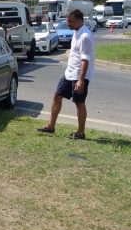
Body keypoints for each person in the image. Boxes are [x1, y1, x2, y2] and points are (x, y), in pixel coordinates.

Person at [37, 9, 94, 139]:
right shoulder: (76, 32)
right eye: (68, 21)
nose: (68, 24)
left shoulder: (85, 36)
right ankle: (51, 126)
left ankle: (81, 132)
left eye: (71, 22)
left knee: (79, 102)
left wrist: (81, 80)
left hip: (79, 75)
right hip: (69, 73)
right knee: (57, 96)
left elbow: (85, 61)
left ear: (79, 21)